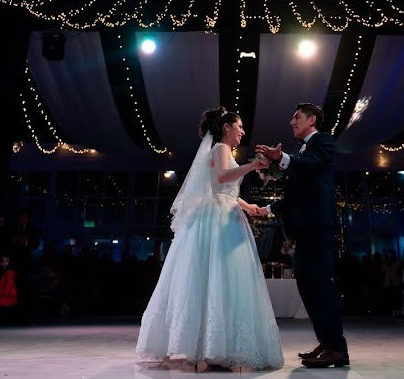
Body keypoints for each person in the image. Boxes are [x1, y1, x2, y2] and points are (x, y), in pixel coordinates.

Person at [136, 107, 283, 370]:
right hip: (217, 220)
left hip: (225, 211)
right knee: (219, 277)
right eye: (239, 127)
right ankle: (212, 347)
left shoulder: (222, 151)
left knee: (214, 280)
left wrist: (247, 206)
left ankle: (210, 345)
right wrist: (253, 166)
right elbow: (223, 177)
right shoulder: (221, 149)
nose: (242, 132)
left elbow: (221, 188)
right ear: (226, 127)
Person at [255, 102, 349, 368]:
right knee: (307, 287)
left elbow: (310, 164)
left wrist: (280, 159)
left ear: (312, 120)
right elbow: (295, 196)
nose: (291, 122)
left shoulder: (324, 142)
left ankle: (338, 348)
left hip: (319, 228)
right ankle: (327, 341)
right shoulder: (301, 153)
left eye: (296, 117)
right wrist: (267, 209)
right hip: (305, 230)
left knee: (321, 286)